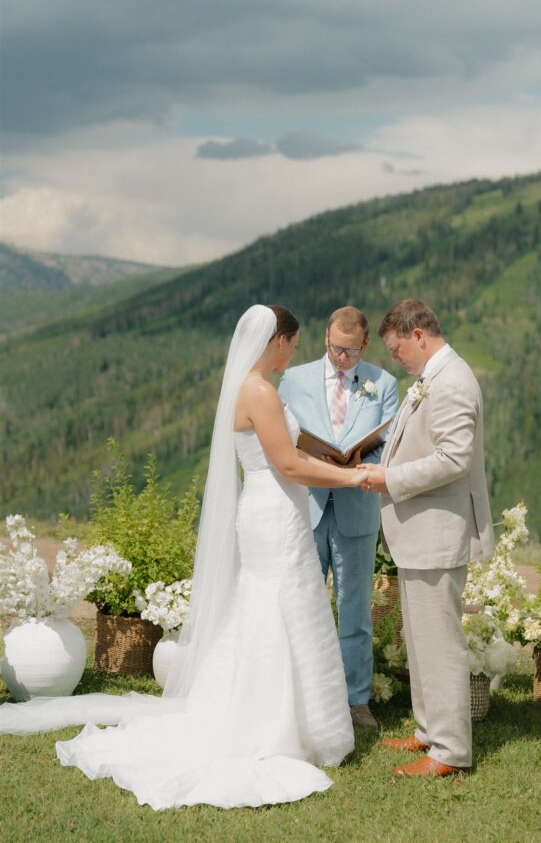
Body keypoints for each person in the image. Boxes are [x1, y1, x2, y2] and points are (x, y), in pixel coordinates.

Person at [0, 304, 369, 810]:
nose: (296, 351)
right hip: (272, 510)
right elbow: (285, 462)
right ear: (278, 340)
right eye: (295, 341)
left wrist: (329, 462)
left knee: (274, 605)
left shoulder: (254, 387)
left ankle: (295, 718)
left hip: (271, 508)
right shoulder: (259, 390)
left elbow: (290, 453)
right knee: (275, 606)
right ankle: (274, 724)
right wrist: (354, 476)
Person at [359, 298, 494, 779]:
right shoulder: (430, 379)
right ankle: (428, 729)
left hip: (438, 528)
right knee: (419, 640)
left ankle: (451, 751)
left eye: (398, 351)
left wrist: (387, 479)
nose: (396, 360)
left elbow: (453, 458)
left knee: (439, 642)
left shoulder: (452, 380)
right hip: (419, 531)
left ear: (419, 335)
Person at [279, 306, 398, 730]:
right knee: (303, 604)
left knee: (355, 610)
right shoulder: (293, 380)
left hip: (358, 505)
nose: (341, 359)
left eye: (350, 352)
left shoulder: (384, 383)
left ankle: (355, 699)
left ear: (364, 345)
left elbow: (390, 446)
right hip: (306, 504)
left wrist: (361, 463)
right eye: (334, 349)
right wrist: (311, 454)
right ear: (325, 340)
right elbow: (280, 438)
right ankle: (305, 694)